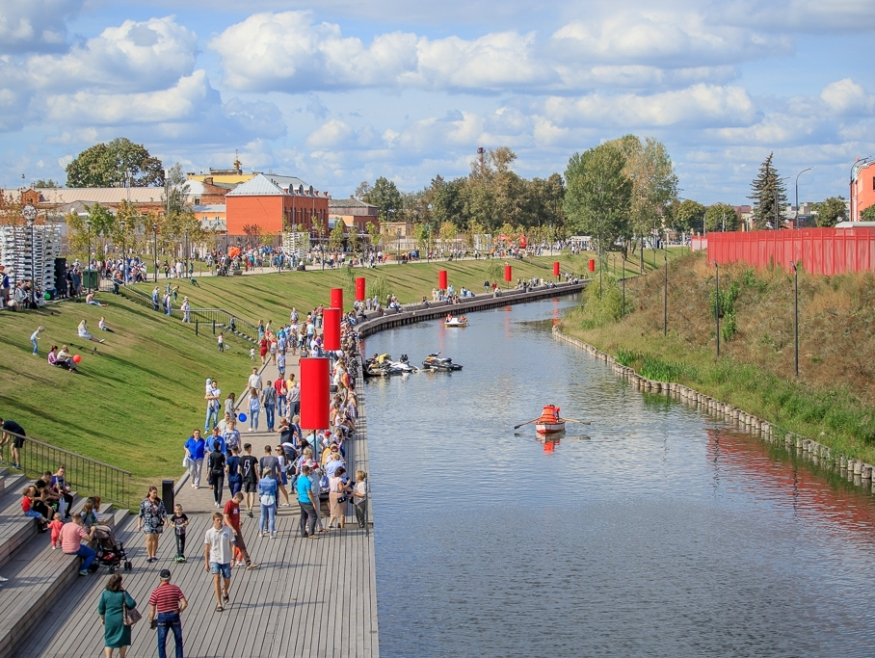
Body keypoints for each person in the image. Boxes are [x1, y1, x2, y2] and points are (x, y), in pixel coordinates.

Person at [148, 569, 187, 658]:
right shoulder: (175, 589)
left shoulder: (156, 591)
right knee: (178, 639)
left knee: (161, 641)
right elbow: (184, 604)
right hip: (174, 616)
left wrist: (151, 622)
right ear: (170, 578)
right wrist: (178, 610)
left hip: (162, 617)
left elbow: (152, 611)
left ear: (160, 579)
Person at [98, 573, 136, 658]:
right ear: (118, 584)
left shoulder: (105, 593)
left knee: (109, 640)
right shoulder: (123, 593)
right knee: (123, 640)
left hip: (110, 620)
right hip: (122, 620)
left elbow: (101, 608)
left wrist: (102, 619)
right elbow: (132, 604)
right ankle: (122, 656)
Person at [203, 511, 235, 613]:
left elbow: (233, 544)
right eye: (217, 520)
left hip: (226, 559)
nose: (219, 521)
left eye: (221, 519)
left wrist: (233, 558)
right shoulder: (209, 532)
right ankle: (219, 603)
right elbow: (207, 548)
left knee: (227, 580)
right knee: (216, 579)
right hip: (214, 559)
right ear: (213, 521)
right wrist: (206, 562)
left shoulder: (228, 530)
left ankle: (225, 591)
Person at [223, 491, 258, 569]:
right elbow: (225, 518)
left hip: (237, 529)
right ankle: (226, 562)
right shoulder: (228, 504)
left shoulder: (236, 504)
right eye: (238, 501)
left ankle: (248, 563)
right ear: (235, 497)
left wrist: (238, 522)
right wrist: (231, 528)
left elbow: (236, 514)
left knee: (242, 546)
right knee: (229, 547)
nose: (239, 502)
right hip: (229, 529)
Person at [138, 485, 167, 563]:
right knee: (149, 538)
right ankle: (149, 555)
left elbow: (164, 512)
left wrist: (166, 520)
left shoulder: (160, 502)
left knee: (155, 538)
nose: (155, 494)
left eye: (156, 493)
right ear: (149, 492)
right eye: (153, 493)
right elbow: (140, 513)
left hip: (157, 522)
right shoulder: (144, 502)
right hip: (148, 522)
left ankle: (154, 554)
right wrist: (139, 524)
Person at [297, 464, 318, 538]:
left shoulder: (300, 479)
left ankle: (303, 532)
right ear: (307, 471)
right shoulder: (307, 481)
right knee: (314, 516)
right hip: (306, 500)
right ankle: (311, 533)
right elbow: (309, 493)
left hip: (300, 499)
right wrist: (314, 503)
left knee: (303, 516)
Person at [257, 467, 278, 538]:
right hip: (271, 498)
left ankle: (261, 532)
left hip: (263, 498)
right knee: (271, 518)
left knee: (262, 516)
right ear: (270, 472)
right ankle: (271, 534)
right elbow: (275, 489)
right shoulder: (273, 481)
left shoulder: (261, 481)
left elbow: (260, 489)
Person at [240, 444, 259, 518]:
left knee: (246, 493)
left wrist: (243, 474)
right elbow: (256, 470)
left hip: (245, 478)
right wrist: (258, 478)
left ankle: (247, 508)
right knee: (252, 494)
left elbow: (239, 470)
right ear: (249, 448)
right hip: (252, 477)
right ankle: (251, 509)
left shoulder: (241, 459)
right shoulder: (253, 459)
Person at [207, 441, 226, 508]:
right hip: (220, 471)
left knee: (215, 487)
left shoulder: (211, 455)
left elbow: (210, 465)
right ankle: (219, 502)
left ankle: (216, 500)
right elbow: (224, 464)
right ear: (218, 446)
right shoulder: (221, 454)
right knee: (220, 487)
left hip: (214, 471)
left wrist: (208, 474)